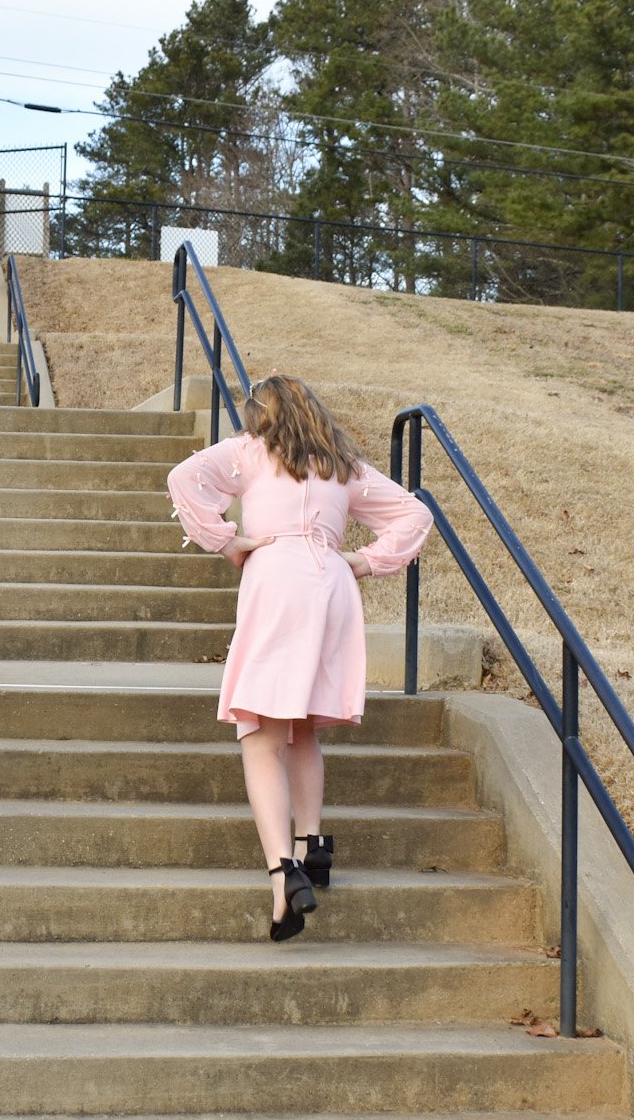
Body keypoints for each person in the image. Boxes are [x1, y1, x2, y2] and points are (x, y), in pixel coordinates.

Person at [165, 375, 433, 942]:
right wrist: (362, 561)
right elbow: (415, 514)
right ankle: (312, 845)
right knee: (303, 726)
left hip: (277, 579)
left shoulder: (250, 452)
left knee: (258, 731)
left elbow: (182, 476)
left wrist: (224, 538)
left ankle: (282, 874)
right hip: (332, 585)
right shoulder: (341, 464)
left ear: (261, 414)